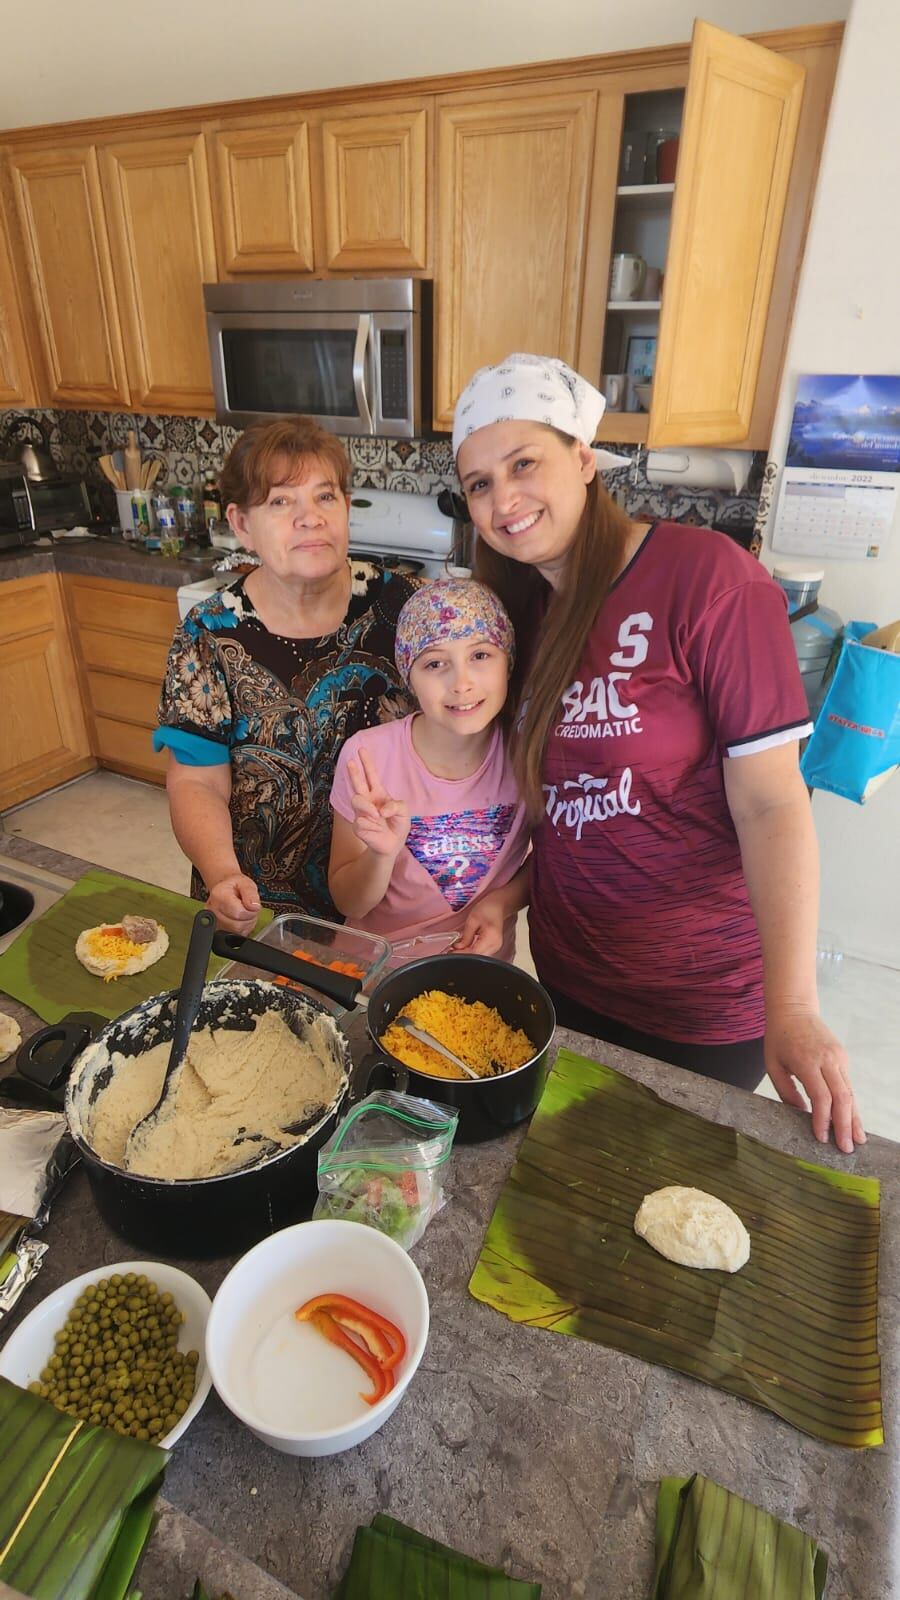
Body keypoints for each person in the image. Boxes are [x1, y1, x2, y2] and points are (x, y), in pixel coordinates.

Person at [452, 352, 863, 1153]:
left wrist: (796, 1008)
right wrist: (508, 898)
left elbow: (773, 802)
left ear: (582, 458)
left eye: (524, 464)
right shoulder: (518, 615)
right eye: (478, 483)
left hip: (704, 1002)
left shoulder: (707, 579)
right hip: (569, 979)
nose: (503, 501)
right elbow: (570, 811)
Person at [155, 417, 418, 932]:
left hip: (385, 901)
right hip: (253, 905)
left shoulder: (403, 610)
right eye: (281, 501)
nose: (310, 518)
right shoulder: (209, 632)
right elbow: (195, 781)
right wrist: (222, 874)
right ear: (242, 522)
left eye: (326, 497)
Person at [328, 579, 530, 960]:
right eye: (435, 663)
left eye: (481, 656)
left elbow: (552, 863)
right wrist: (380, 856)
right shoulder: (369, 757)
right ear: (410, 678)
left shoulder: (530, 754)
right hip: (371, 978)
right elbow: (349, 902)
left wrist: (501, 903)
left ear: (509, 662)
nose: (462, 683)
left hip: (481, 980)